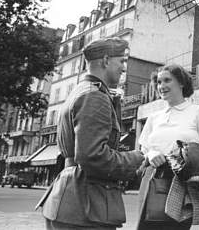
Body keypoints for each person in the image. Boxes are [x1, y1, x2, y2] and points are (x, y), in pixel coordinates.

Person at [36, 37, 145, 229]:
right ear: (105, 60)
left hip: (70, 201)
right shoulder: (95, 96)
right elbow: (93, 156)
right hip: (86, 207)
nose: (124, 68)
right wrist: (138, 158)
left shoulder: (81, 90)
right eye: (122, 61)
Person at [136, 64, 199, 230]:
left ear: (181, 83)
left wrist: (184, 155)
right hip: (154, 180)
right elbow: (143, 150)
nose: (161, 86)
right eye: (159, 82)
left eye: (167, 80)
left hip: (186, 183)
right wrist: (151, 154)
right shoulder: (154, 117)